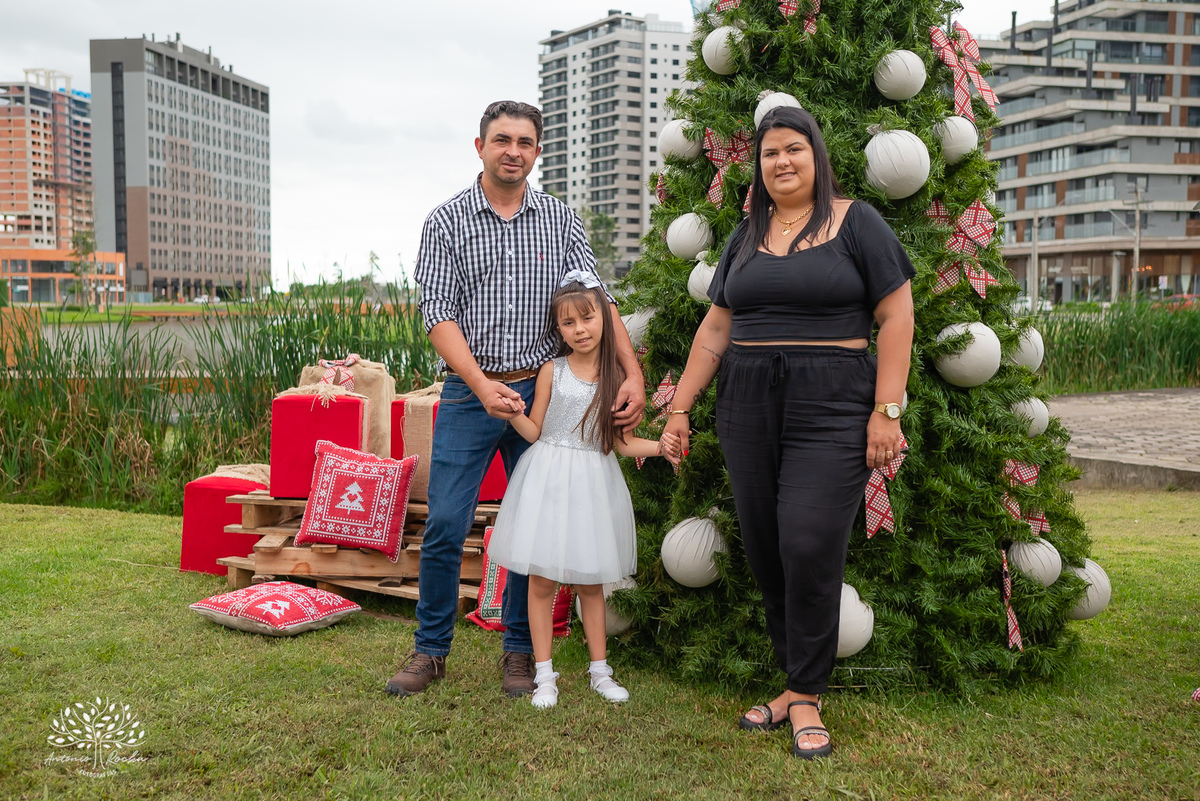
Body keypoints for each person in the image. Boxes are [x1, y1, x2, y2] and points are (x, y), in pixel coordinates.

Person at [661, 106, 915, 758]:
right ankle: (795, 681)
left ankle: (805, 692)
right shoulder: (746, 234)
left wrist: (886, 410)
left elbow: (896, 316)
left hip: (832, 401)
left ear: (816, 155)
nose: (782, 161)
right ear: (759, 165)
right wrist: (681, 406)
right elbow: (717, 327)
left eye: (794, 149)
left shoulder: (858, 222)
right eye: (770, 152)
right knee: (767, 546)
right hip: (746, 401)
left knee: (808, 539)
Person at [388, 101, 646, 699]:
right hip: (470, 391)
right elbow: (437, 313)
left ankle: (520, 652)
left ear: (537, 152)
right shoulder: (446, 221)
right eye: (502, 139)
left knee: (537, 528)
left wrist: (631, 373)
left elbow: (598, 297)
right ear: (480, 146)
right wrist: (481, 385)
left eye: (525, 142)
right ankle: (430, 651)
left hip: (544, 389)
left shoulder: (559, 219)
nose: (513, 151)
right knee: (446, 522)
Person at [486, 276, 681, 709]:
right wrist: (511, 412)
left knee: (591, 583)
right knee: (541, 581)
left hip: (593, 483)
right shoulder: (551, 371)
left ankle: (600, 672)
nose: (579, 329)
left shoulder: (617, 378)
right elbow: (534, 431)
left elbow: (622, 443)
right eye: (568, 323)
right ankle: (544, 675)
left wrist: (660, 448)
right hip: (549, 480)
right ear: (558, 329)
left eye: (587, 318)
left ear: (604, 320)